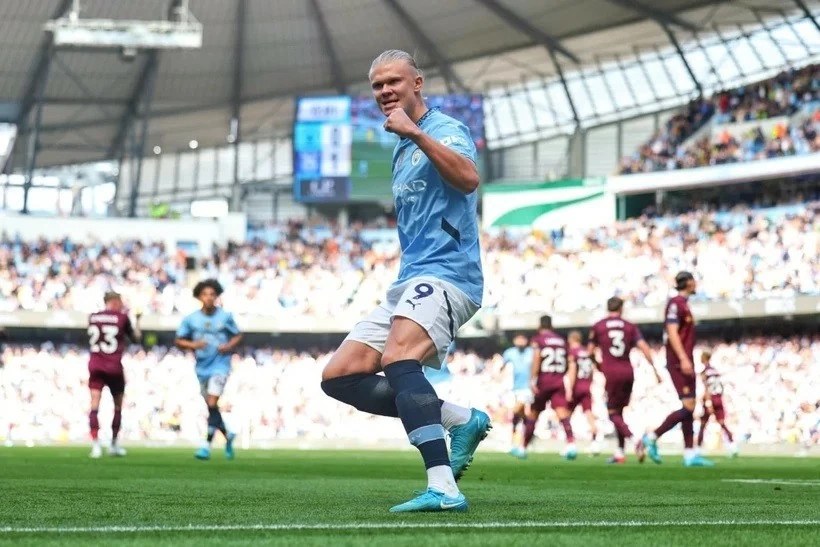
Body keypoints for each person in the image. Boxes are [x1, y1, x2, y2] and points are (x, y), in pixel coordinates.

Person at [320, 50, 490, 513]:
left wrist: (415, 133)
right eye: (377, 85)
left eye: (393, 82)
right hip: (412, 278)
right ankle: (461, 419)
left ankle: (444, 488)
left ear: (418, 82)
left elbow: (469, 179)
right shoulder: (399, 148)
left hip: (448, 274)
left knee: (398, 358)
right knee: (340, 376)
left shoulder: (443, 129)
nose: (384, 92)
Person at [640, 272, 714, 467]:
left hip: (684, 358)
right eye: (694, 280)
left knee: (689, 407)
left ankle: (690, 454)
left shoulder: (683, 304)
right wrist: (682, 358)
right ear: (688, 282)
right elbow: (672, 331)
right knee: (689, 406)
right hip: (678, 360)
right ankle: (652, 436)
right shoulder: (676, 303)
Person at [175, 279, 243, 461]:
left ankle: (206, 446)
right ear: (199, 296)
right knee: (210, 406)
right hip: (202, 367)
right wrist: (194, 344)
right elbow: (179, 340)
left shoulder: (225, 317)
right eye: (205, 294)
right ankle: (228, 436)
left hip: (221, 364)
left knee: (212, 402)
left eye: (212, 294)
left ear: (217, 296)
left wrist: (228, 346)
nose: (209, 298)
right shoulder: (191, 319)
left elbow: (238, 335)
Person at [588, 297, 659, 464]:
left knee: (612, 414)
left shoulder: (598, 326)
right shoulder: (629, 326)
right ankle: (620, 452)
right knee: (619, 412)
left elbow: (590, 351)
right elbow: (644, 347)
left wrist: (597, 364)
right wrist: (655, 369)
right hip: (628, 371)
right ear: (621, 309)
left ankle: (635, 441)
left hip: (611, 372)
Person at [87, 292, 141, 458]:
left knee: (94, 405)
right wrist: (138, 319)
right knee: (117, 406)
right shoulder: (122, 317)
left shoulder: (92, 317)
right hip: (113, 366)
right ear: (115, 301)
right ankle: (113, 444)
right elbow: (136, 338)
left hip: (95, 365)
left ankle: (95, 445)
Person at [521, 315, 577, 460]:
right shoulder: (562, 341)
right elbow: (569, 361)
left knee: (533, 413)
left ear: (540, 327)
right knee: (562, 413)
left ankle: (523, 447)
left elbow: (537, 357)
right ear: (552, 327)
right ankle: (571, 444)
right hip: (558, 380)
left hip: (544, 380)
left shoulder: (539, 340)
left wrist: (532, 379)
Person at [697, 350, 738, 458]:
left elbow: (707, 388)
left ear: (704, 358)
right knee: (722, 423)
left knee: (703, 424)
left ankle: (698, 449)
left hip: (711, 398)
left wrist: (708, 402)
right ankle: (733, 446)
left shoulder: (704, 372)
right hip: (719, 398)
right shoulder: (715, 371)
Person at [566, 331, 601, 456]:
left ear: (571, 340)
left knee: (565, 415)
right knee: (589, 414)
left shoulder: (573, 352)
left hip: (577, 386)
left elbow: (572, 371)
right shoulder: (587, 352)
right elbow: (593, 369)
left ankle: (570, 444)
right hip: (587, 386)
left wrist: (570, 389)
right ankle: (595, 443)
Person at [501, 334, 534, 458]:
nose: (521, 341)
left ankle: (517, 443)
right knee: (521, 417)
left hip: (528, 388)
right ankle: (519, 443)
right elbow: (503, 367)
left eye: (523, 339)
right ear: (514, 340)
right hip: (515, 388)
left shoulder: (531, 352)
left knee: (516, 411)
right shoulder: (510, 352)